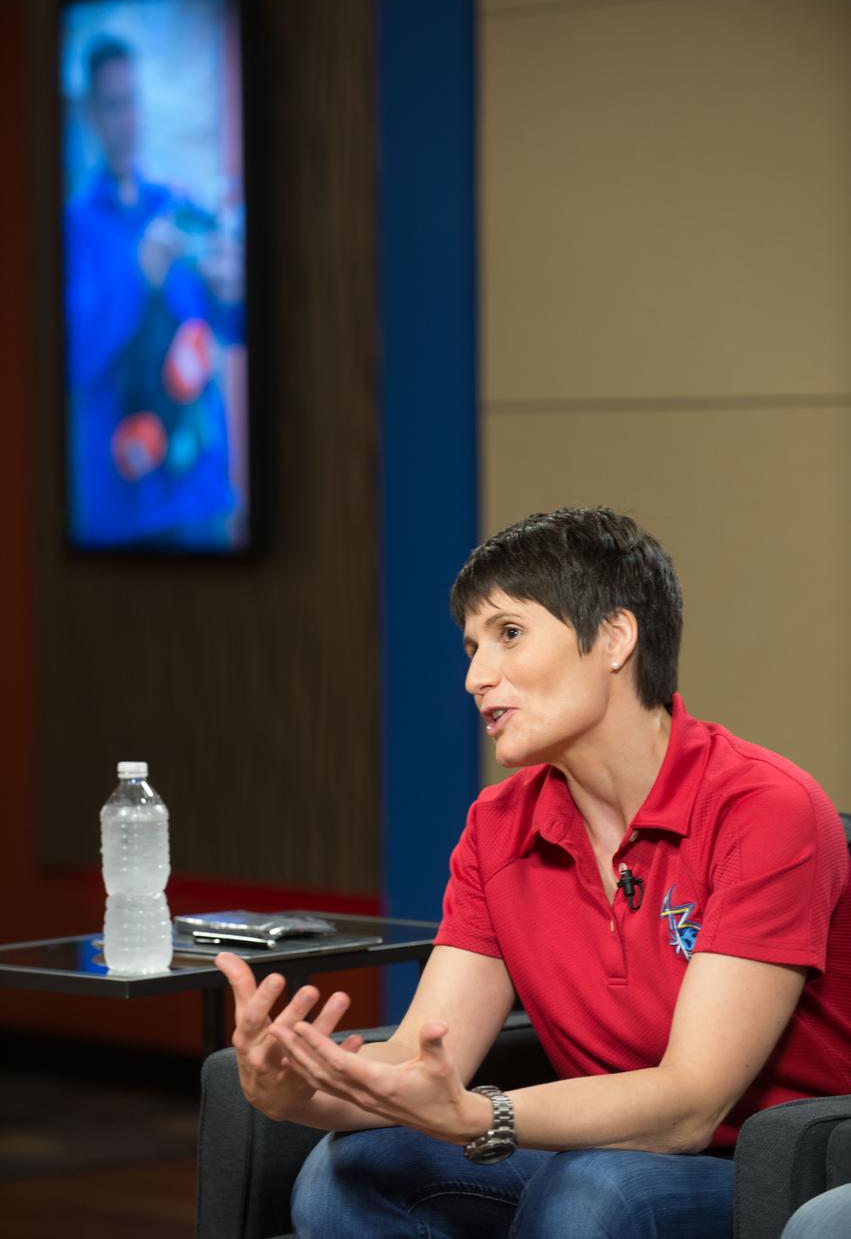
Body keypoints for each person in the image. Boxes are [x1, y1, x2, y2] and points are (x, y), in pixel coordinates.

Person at [217, 507, 851, 1238]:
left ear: (614, 638)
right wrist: (292, 1092)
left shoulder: (763, 806)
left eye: (509, 634)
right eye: (471, 646)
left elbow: (689, 1104)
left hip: (780, 1162)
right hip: (600, 1152)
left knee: (593, 1192)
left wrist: (483, 1114)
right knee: (345, 1174)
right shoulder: (498, 824)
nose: (475, 677)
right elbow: (419, 1056)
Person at [64, 36, 244, 547]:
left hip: (199, 494)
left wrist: (233, 289)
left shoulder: (178, 205)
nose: (128, 119)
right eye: (113, 105)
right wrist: (139, 274)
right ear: (91, 116)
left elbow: (229, 328)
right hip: (122, 510)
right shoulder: (74, 227)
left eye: (133, 101)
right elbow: (73, 356)